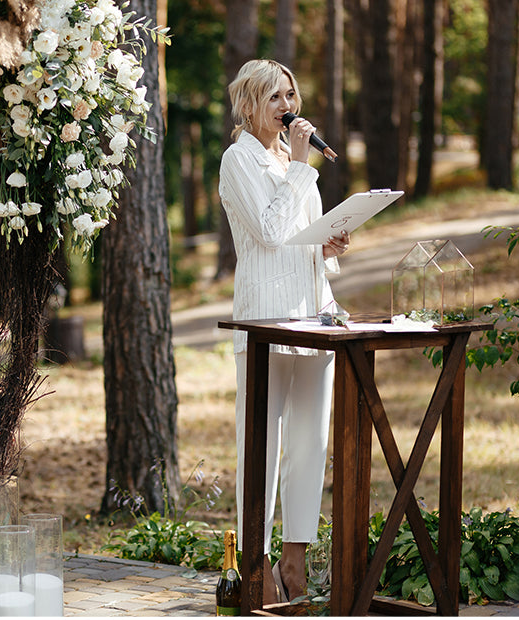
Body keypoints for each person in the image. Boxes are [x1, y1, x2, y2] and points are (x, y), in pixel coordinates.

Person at [218, 59, 350, 605]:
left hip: (313, 313)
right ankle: (258, 563)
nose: (286, 105)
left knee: (308, 442)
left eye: (290, 94)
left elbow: (297, 234)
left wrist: (327, 245)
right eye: (274, 96)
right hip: (267, 316)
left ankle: (296, 562)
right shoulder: (238, 159)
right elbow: (269, 234)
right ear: (249, 103)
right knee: (263, 443)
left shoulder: (292, 161)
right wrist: (300, 166)